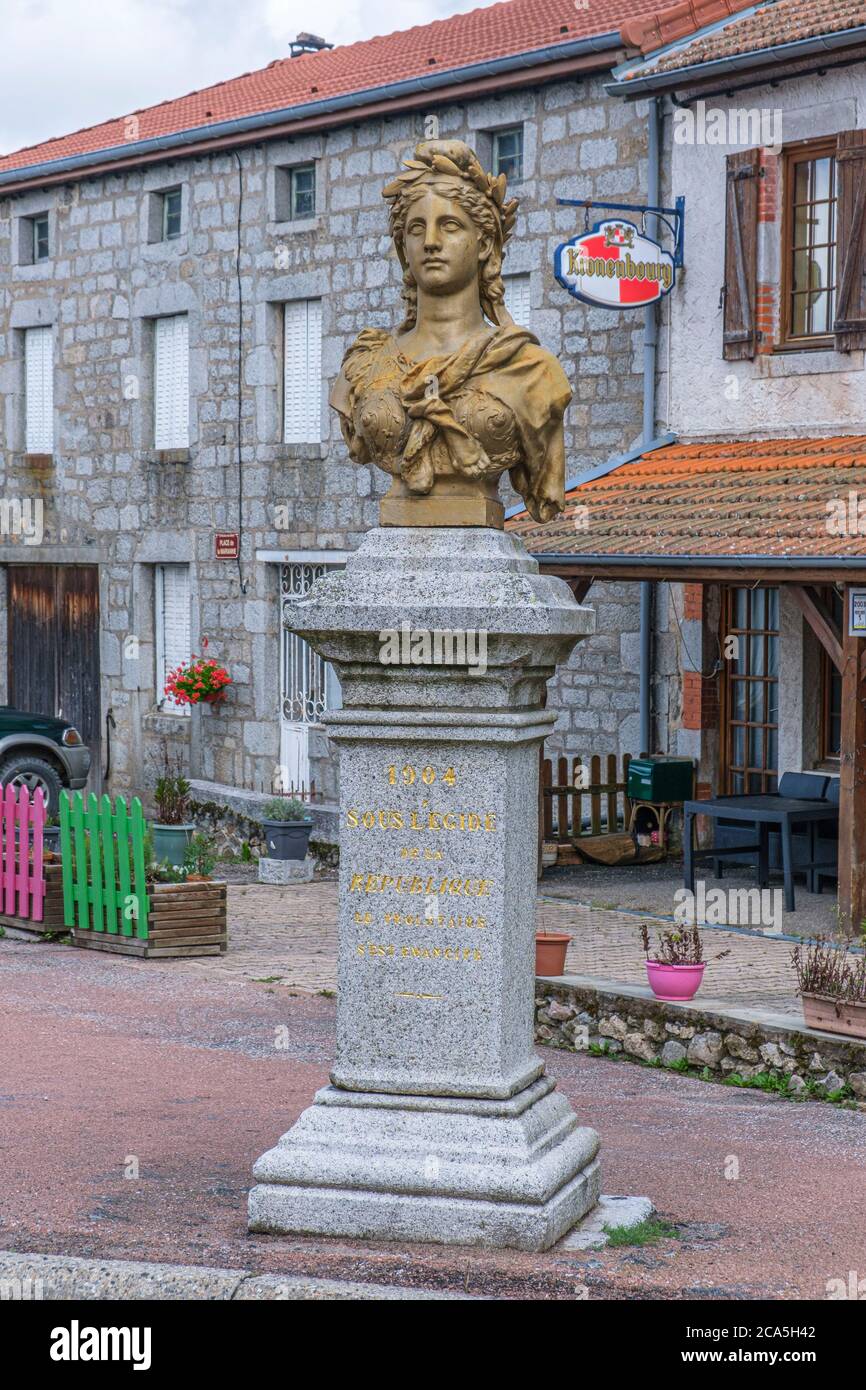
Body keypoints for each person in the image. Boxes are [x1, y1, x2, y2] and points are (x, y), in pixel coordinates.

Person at [330, 139, 572, 526]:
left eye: (450, 225)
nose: (430, 242)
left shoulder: (530, 369)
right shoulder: (365, 363)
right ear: (402, 246)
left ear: (484, 243)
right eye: (416, 228)